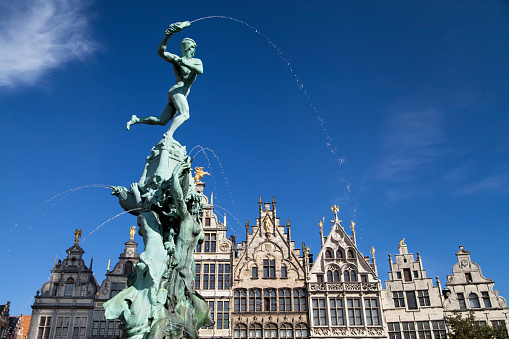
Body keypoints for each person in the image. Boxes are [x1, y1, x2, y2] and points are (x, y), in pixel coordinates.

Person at [126, 21, 203, 140]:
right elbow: (161, 52)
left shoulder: (196, 61)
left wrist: (184, 62)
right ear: (188, 48)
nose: (194, 50)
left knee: (162, 121)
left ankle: (136, 119)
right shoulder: (176, 59)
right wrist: (168, 36)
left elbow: (200, 70)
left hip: (180, 94)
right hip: (176, 91)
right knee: (185, 114)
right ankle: (168, 135)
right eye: (192, 47)